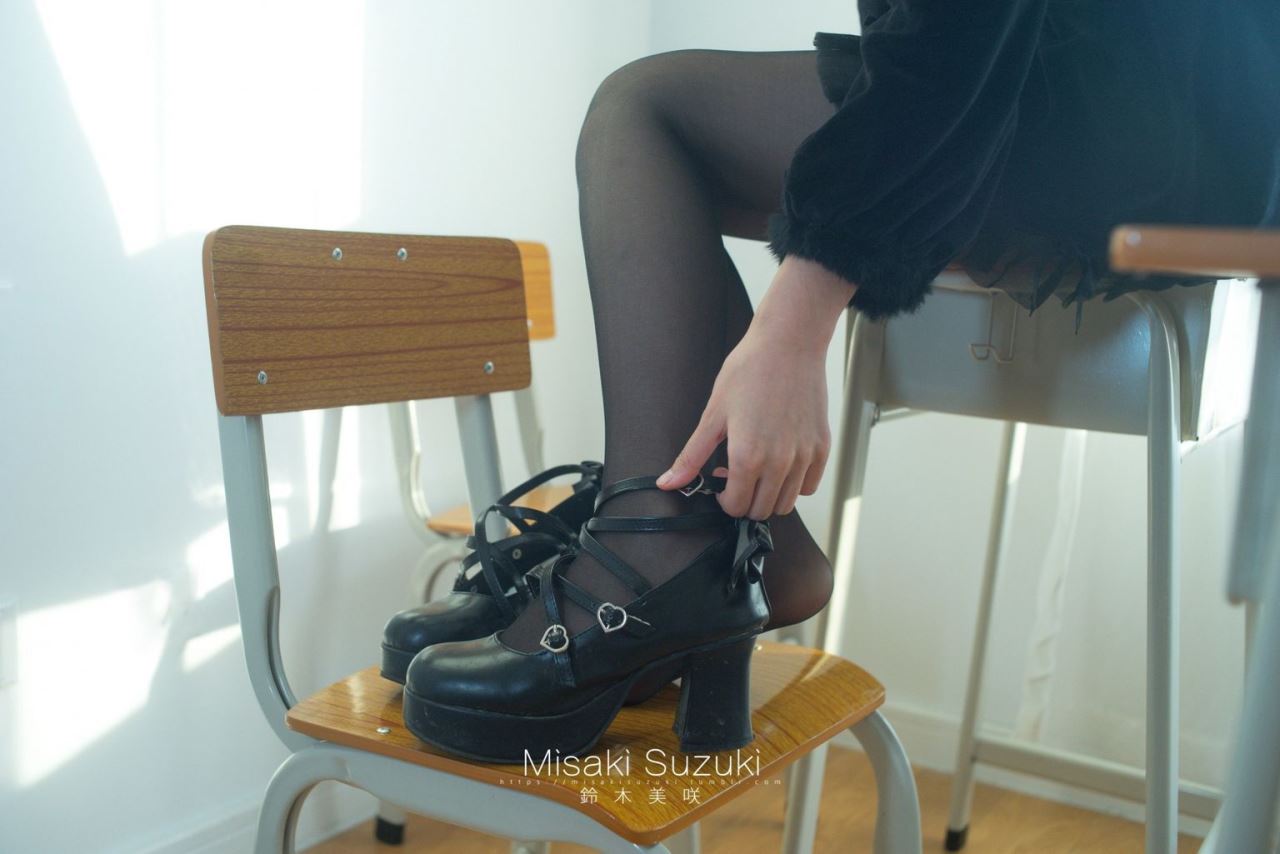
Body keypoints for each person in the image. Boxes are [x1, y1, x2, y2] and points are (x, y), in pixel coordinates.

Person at [399, 1, 1279, 761]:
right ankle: (698, 540)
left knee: (644, 110)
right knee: (654, 111)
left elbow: (957, 35)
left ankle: (664, 545)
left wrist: (796, 323)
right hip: (1188, 113)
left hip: (1150, 118)